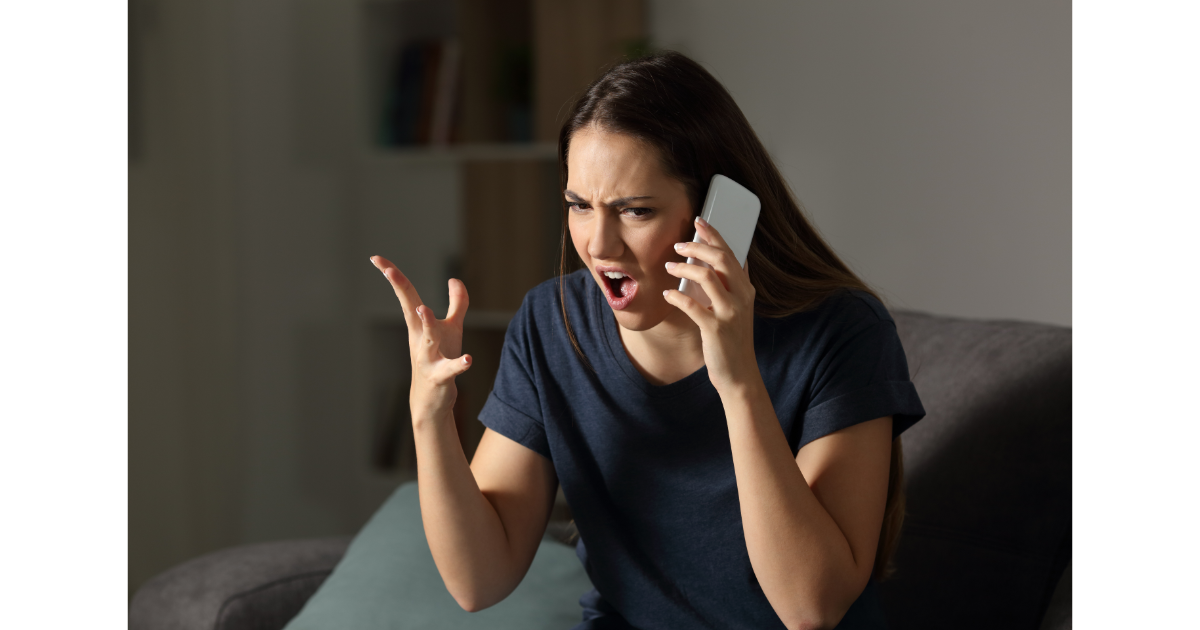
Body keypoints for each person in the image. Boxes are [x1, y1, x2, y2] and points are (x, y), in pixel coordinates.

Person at [369, 51, 925, 630]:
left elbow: (811, 607)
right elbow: (478, 582)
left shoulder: (843, 332)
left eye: (635, 211)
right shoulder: (550, 323)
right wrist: (429, 417)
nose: (599, 244)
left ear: (716, 213)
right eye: (579, 206)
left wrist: (737, 383)